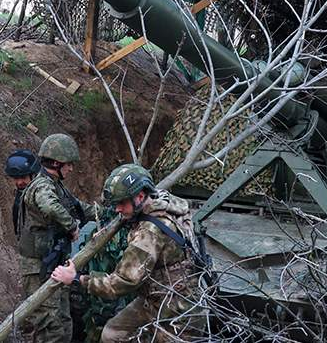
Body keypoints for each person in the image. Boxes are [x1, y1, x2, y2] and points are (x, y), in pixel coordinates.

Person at [51, 164, 205, 342]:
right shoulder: (164, 201)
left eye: (122, 203)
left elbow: (120, 283)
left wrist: (77, 279)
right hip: (159, 297)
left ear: (140, 197)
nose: (117, 209)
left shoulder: (149, 233)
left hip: (176, 310)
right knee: (112, 333)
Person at [18, 133, 99, 343]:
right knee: (49, 326)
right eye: (68, 164)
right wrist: (72, 227)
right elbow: (50, 206)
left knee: (63, 323)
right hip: (39, 268)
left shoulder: (56, 185)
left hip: (54, 264)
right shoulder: (42, 186)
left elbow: (78, 208)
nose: (71, 169)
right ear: (56, 163)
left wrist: (105, 212)